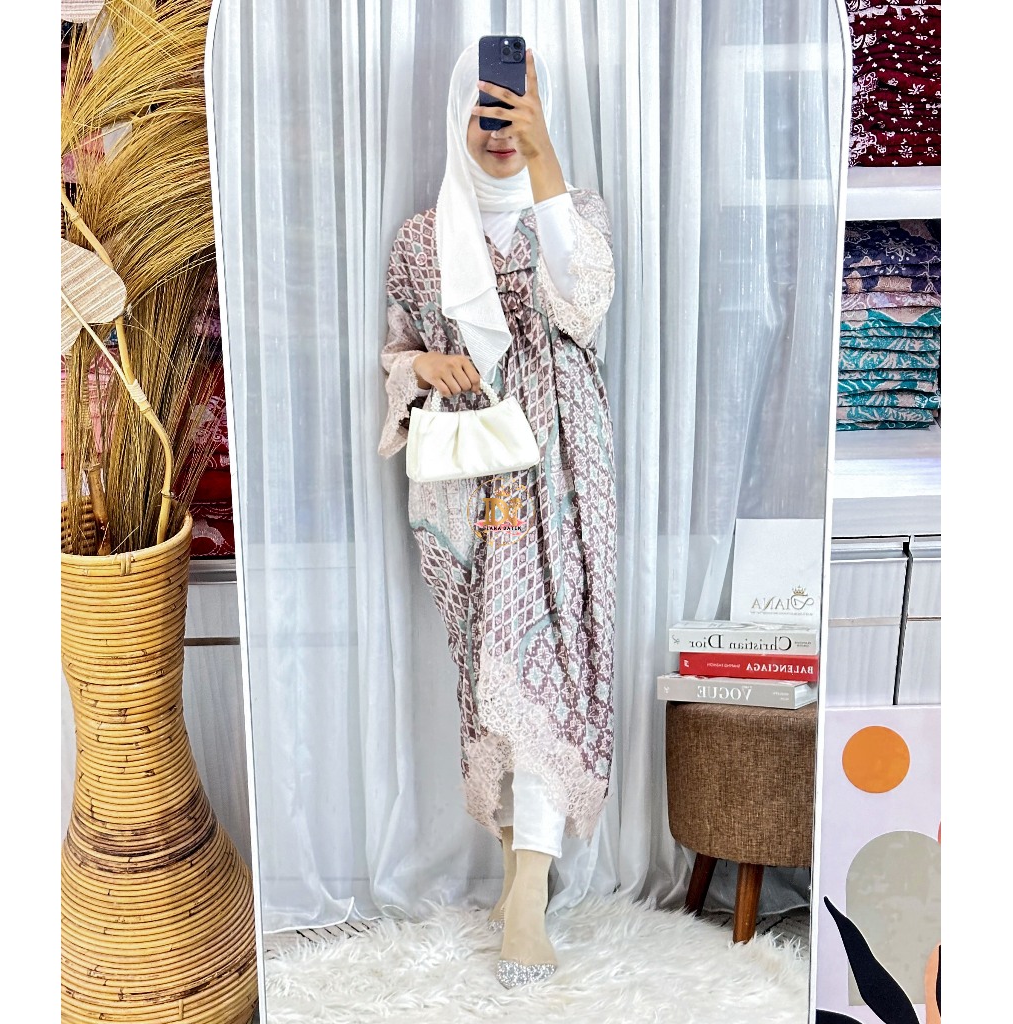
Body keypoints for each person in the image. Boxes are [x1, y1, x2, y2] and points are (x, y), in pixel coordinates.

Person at [377, 41, 616, 989]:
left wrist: (545, 154)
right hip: (467, 472)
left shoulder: (574, 213)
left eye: (517, 106)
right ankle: (524, 873)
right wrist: (422, 365)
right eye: (486, 108)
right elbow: (398, 349)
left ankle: (526, 896)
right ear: (459, 116)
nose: (501, 126)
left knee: (542, 667)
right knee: (494, 673)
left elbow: (585, 302)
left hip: (559, 470)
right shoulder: (421, 237)